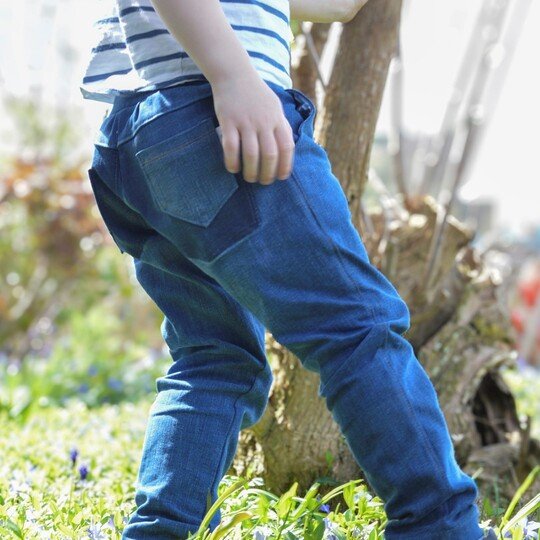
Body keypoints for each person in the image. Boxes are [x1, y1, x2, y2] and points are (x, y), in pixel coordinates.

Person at [81, 1, 492, 538]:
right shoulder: (226, 81)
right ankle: (441, 528)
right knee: (357, 330)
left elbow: (334, 5)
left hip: (137, 138)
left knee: (214, 357)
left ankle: (163, 531)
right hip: (210, 113)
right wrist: (233, 78)